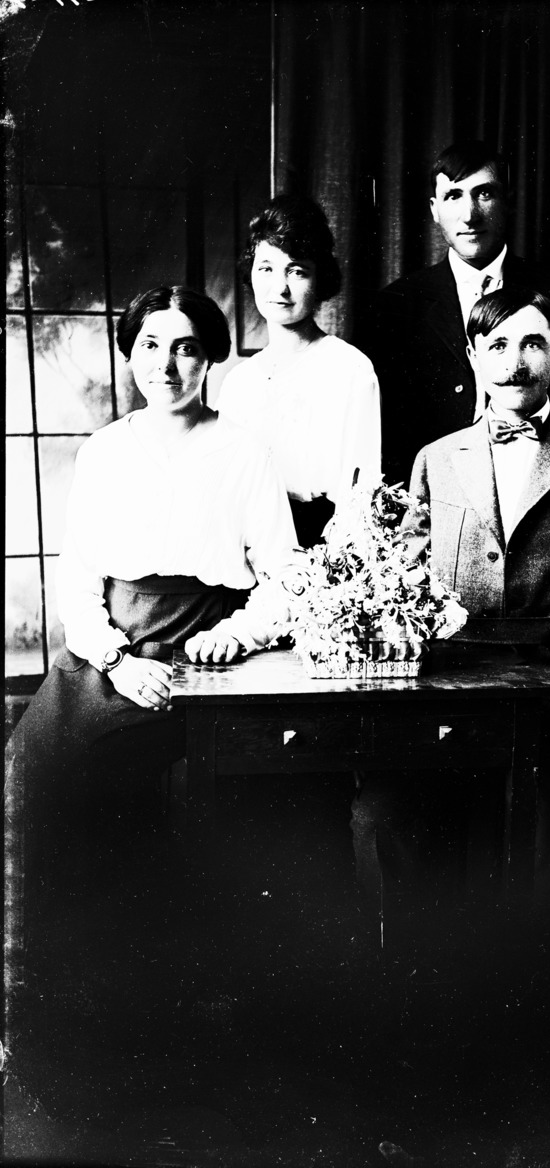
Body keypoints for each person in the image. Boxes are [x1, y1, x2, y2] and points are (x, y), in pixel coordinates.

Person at [351, 285, 550, 912]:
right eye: (497, 345)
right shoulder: (437, 460)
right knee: (391, 832)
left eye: (532, 344)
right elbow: (404, 587)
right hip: (452, 705)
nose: (515, 362)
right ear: (472, 355)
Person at [5, 286, 299, 903]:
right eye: (150, 345)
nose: (165, 366)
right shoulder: (104, 451)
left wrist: (235, 635)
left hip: (203, 650)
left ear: (210, 358)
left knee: (163, 788)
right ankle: (72, 943)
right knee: (32, 771)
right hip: (110, 647)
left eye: (186, 349)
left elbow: (284, 578)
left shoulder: (245, 451)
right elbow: (79, 578)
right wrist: (114, 660)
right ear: (130, 352)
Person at [356, 141, 550, 486]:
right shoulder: (397, 304)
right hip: (438, 490)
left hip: (539, 480)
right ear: (434, 209)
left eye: (484, 194)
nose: (469, 215)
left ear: (508, 201)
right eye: (453, 196)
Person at [217, 195, 381, 547]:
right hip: (248, 547)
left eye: (297, 271)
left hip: (321, 546)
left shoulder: (350, 369)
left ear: (320, 279)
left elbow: (360, 499)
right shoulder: (238, 382)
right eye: (266, 268)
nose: (280, 288)